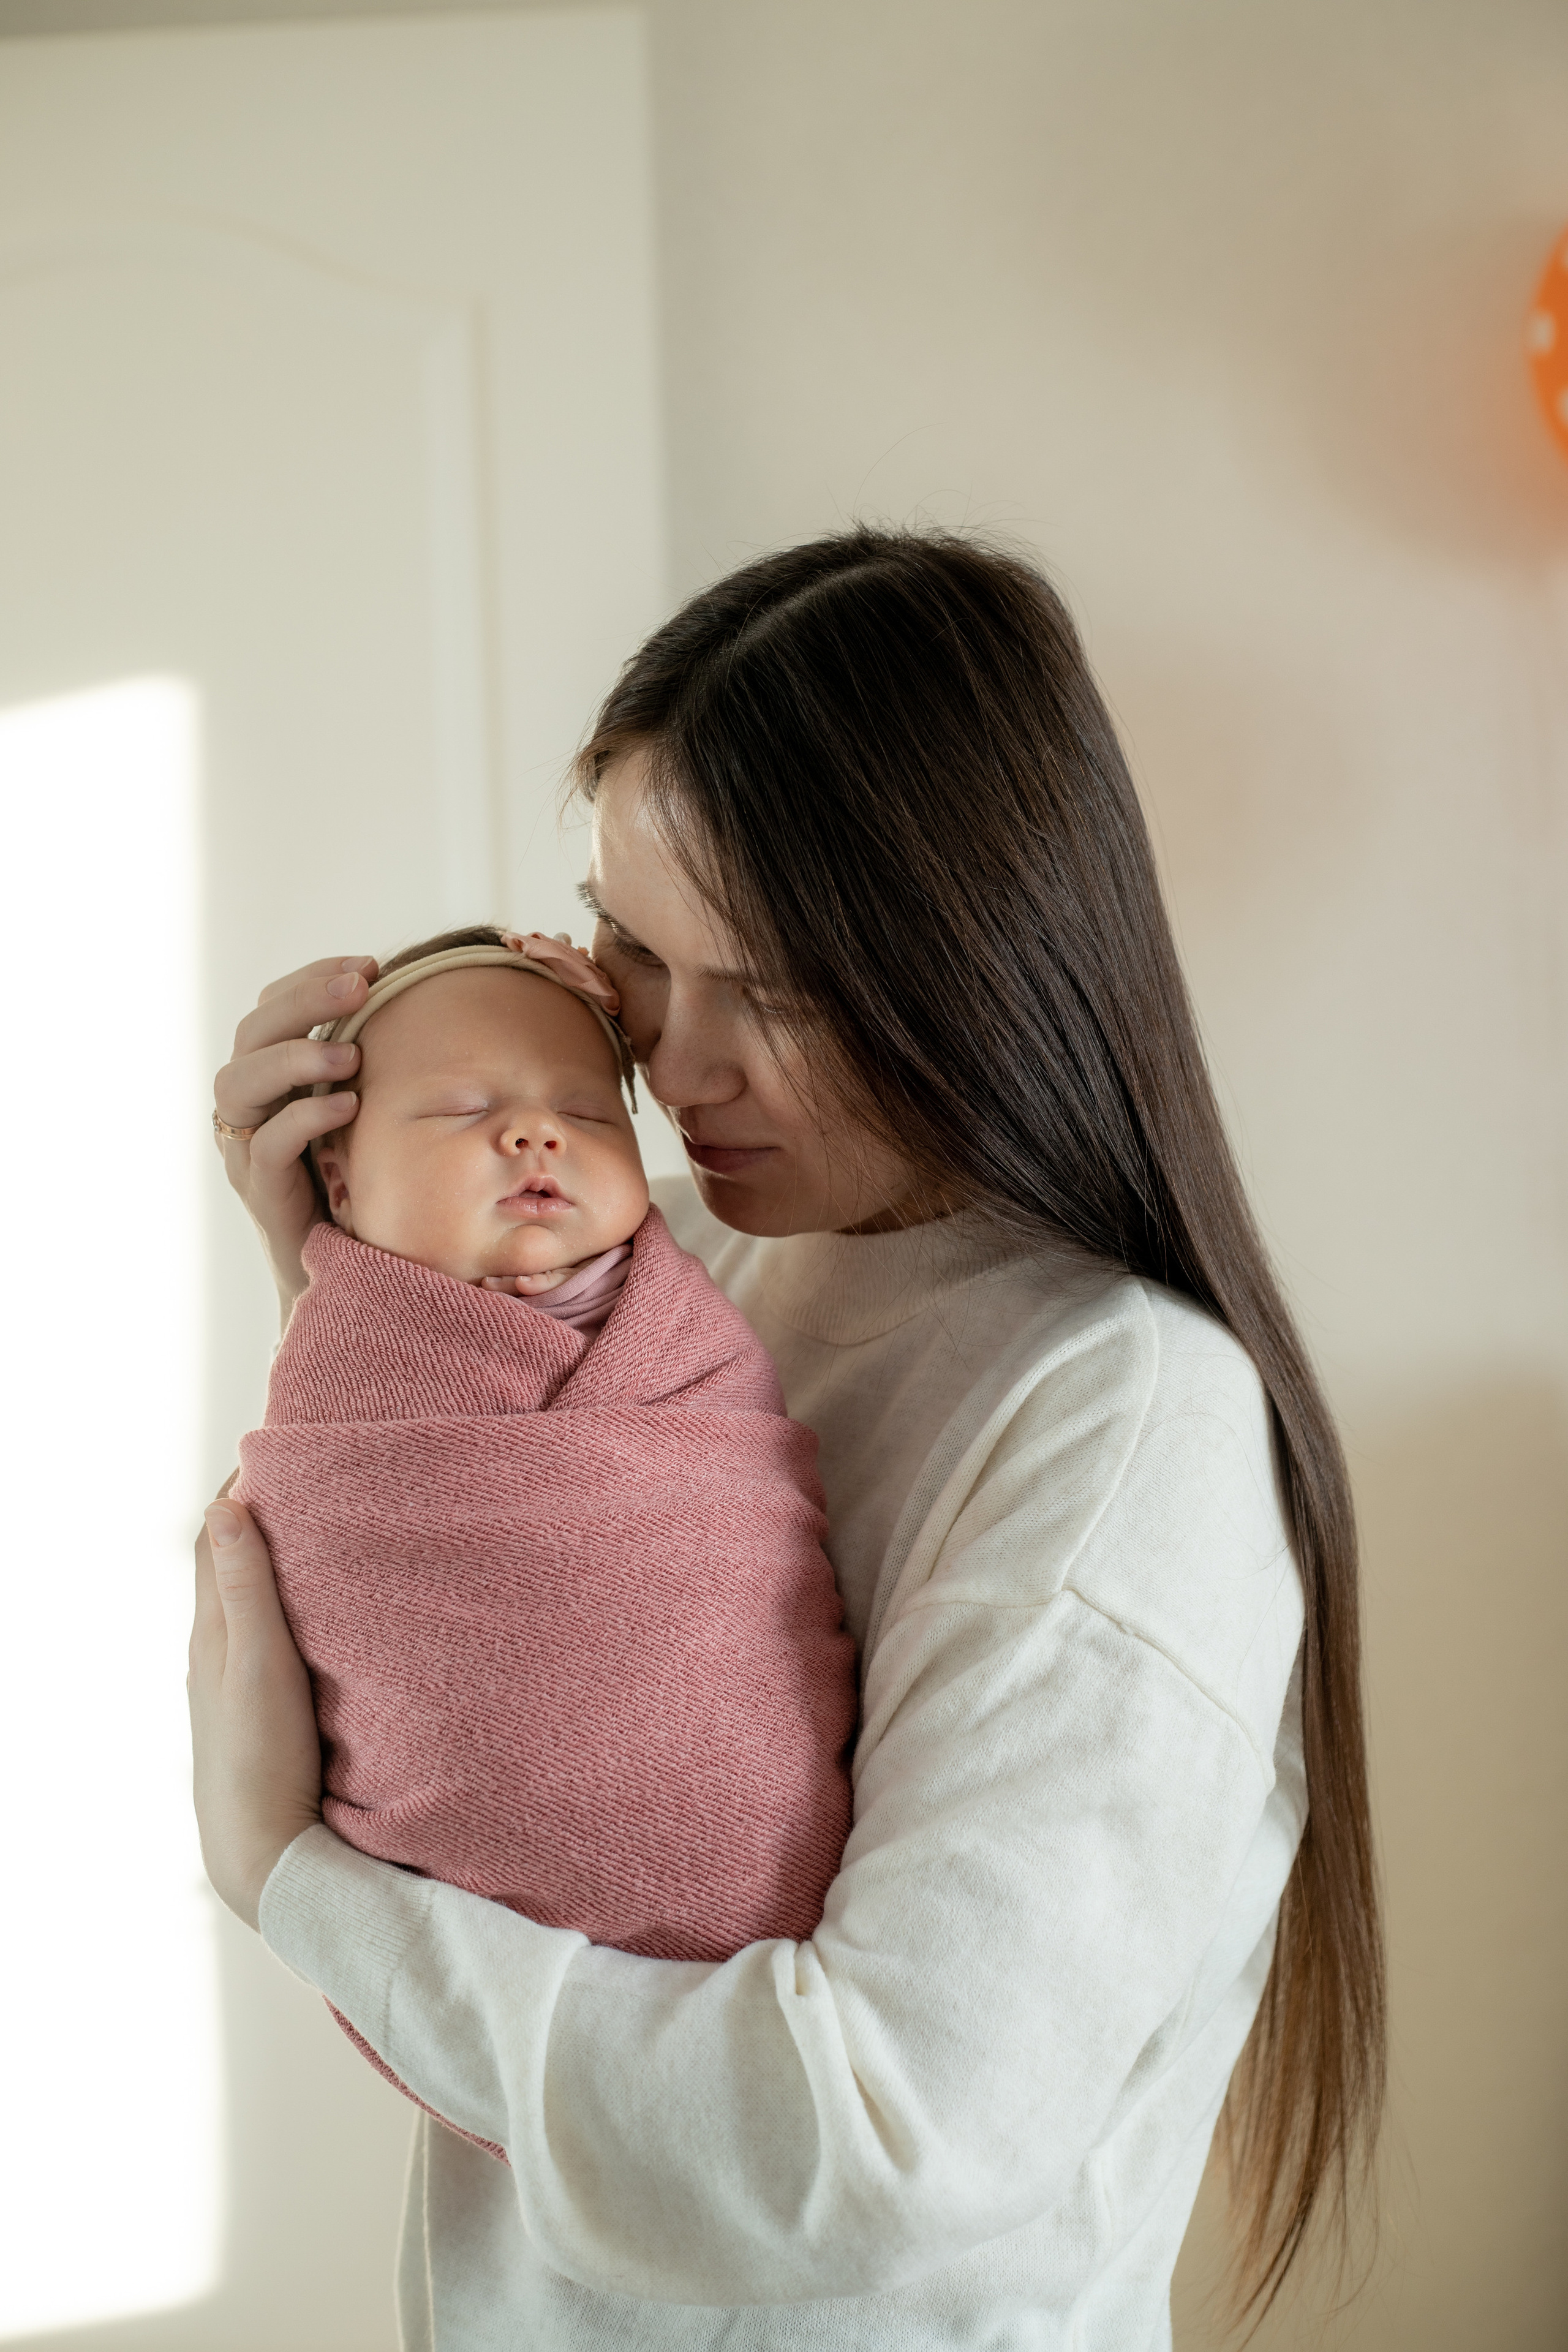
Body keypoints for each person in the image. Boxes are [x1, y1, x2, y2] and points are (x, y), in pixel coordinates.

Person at [194, 526, 1384, 2348]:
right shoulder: (682, 1265)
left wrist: (291, 1880)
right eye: (633, 959)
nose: (671, 1068)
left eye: (777, 987)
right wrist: (362, 1287)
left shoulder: (1126, 1427)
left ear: (968, 957)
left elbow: (869, 2140)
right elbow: (529, 1749)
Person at [232, 920, 855, 2097]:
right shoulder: (350, 1369)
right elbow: (337, 1515)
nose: (535, 1133)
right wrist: (310, 1271)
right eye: (460, 1110)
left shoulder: (690, 1321)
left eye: (589, 1110)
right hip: (480, 1938)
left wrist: (261, 1854)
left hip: (763, 1906)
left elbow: (729, 1516)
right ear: (341, 1176)